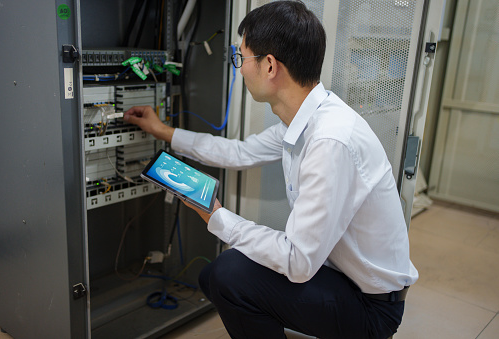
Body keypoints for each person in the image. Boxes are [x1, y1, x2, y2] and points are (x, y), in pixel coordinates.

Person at [124, 1, 418, 338]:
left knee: (228, 274)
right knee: (215, 275)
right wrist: (163, 131)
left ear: (269, 66)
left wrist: (218, 217)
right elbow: (239, 152)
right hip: (341, 279)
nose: (239, 68)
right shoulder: (305, 119)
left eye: (241, 57)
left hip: (372, 308)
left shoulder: (329, 140)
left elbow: (297, 261)